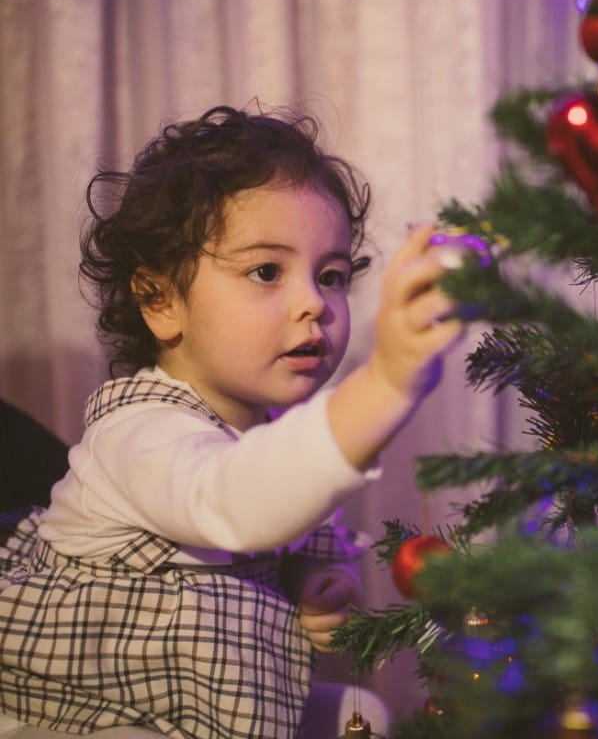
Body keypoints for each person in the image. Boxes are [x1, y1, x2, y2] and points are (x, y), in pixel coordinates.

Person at [0, 105, 465, 738]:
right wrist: (382, 385)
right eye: (266, 272)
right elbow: (233, 501)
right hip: (73, 716)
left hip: (201, 710)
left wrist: (316, 583)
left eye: (330, 275)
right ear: (160, 301)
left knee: (366, 716)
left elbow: (285, 524)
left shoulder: (270, 436)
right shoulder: (136, 431)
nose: (314, 304)